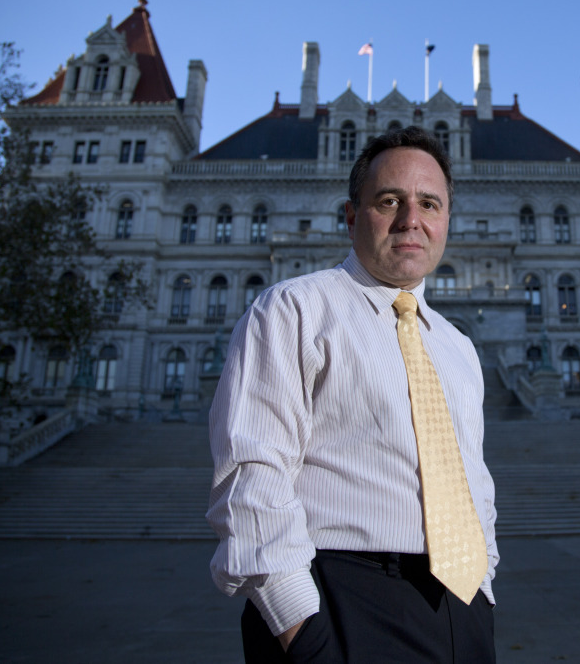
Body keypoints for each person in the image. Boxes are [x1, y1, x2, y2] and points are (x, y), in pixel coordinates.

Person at [207, 126, 498, 663]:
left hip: (461, 612)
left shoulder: (458, 348)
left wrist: (483, 587)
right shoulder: (293, 310)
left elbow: (473, 481)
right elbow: (252, 473)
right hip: (341, 605)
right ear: (350, 215)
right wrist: (304, 630)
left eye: (429, 203)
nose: (412, 219)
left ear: (446, 222)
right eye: (390, 201)